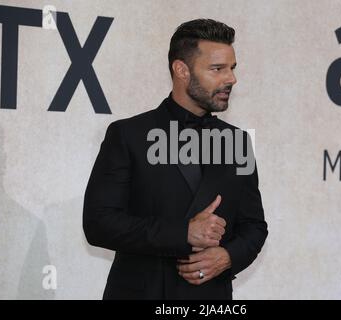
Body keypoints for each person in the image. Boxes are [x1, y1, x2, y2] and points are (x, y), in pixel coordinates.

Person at [83, 18, 268, 300]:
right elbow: (99, 223)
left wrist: (228, 256)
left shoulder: (237, 142)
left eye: (232, 68)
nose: (231, 79)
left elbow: (254, 226)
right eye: (217, 69)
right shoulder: (128, 134)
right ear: (181, 70)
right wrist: (183, 233)